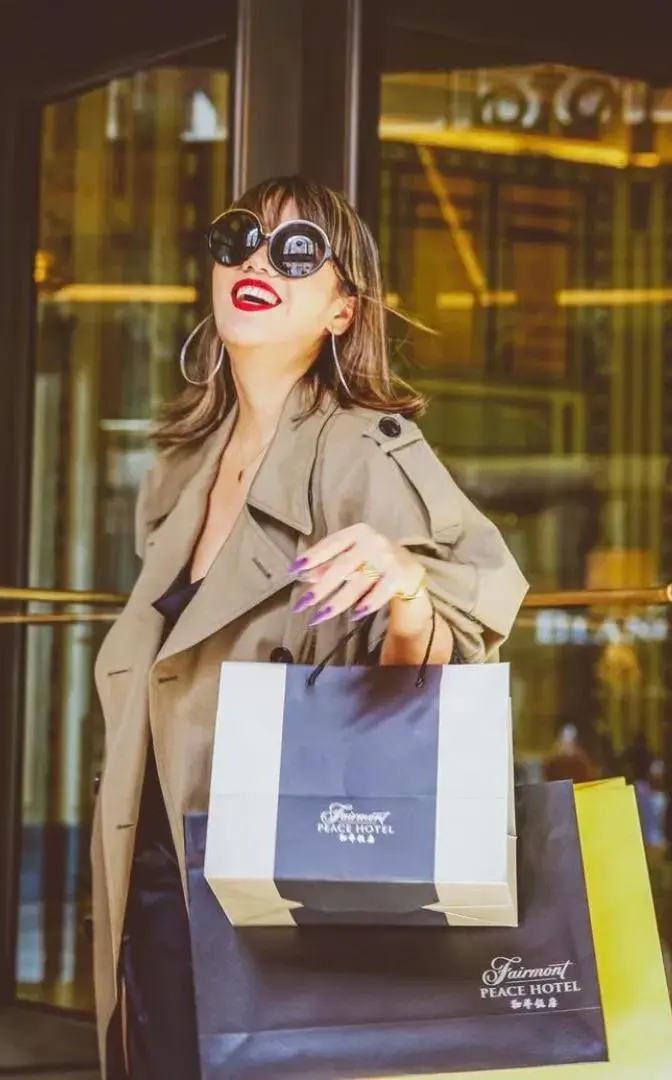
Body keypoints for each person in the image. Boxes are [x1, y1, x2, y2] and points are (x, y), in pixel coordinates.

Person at [89, 176, 529, 1079]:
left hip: (288, 886)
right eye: (240, 239)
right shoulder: (181, 468)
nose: (258, 261)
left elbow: (445, 649)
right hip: (162, 870)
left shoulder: (364, 448)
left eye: (298, 253)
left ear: (341, 310)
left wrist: (407, 589)